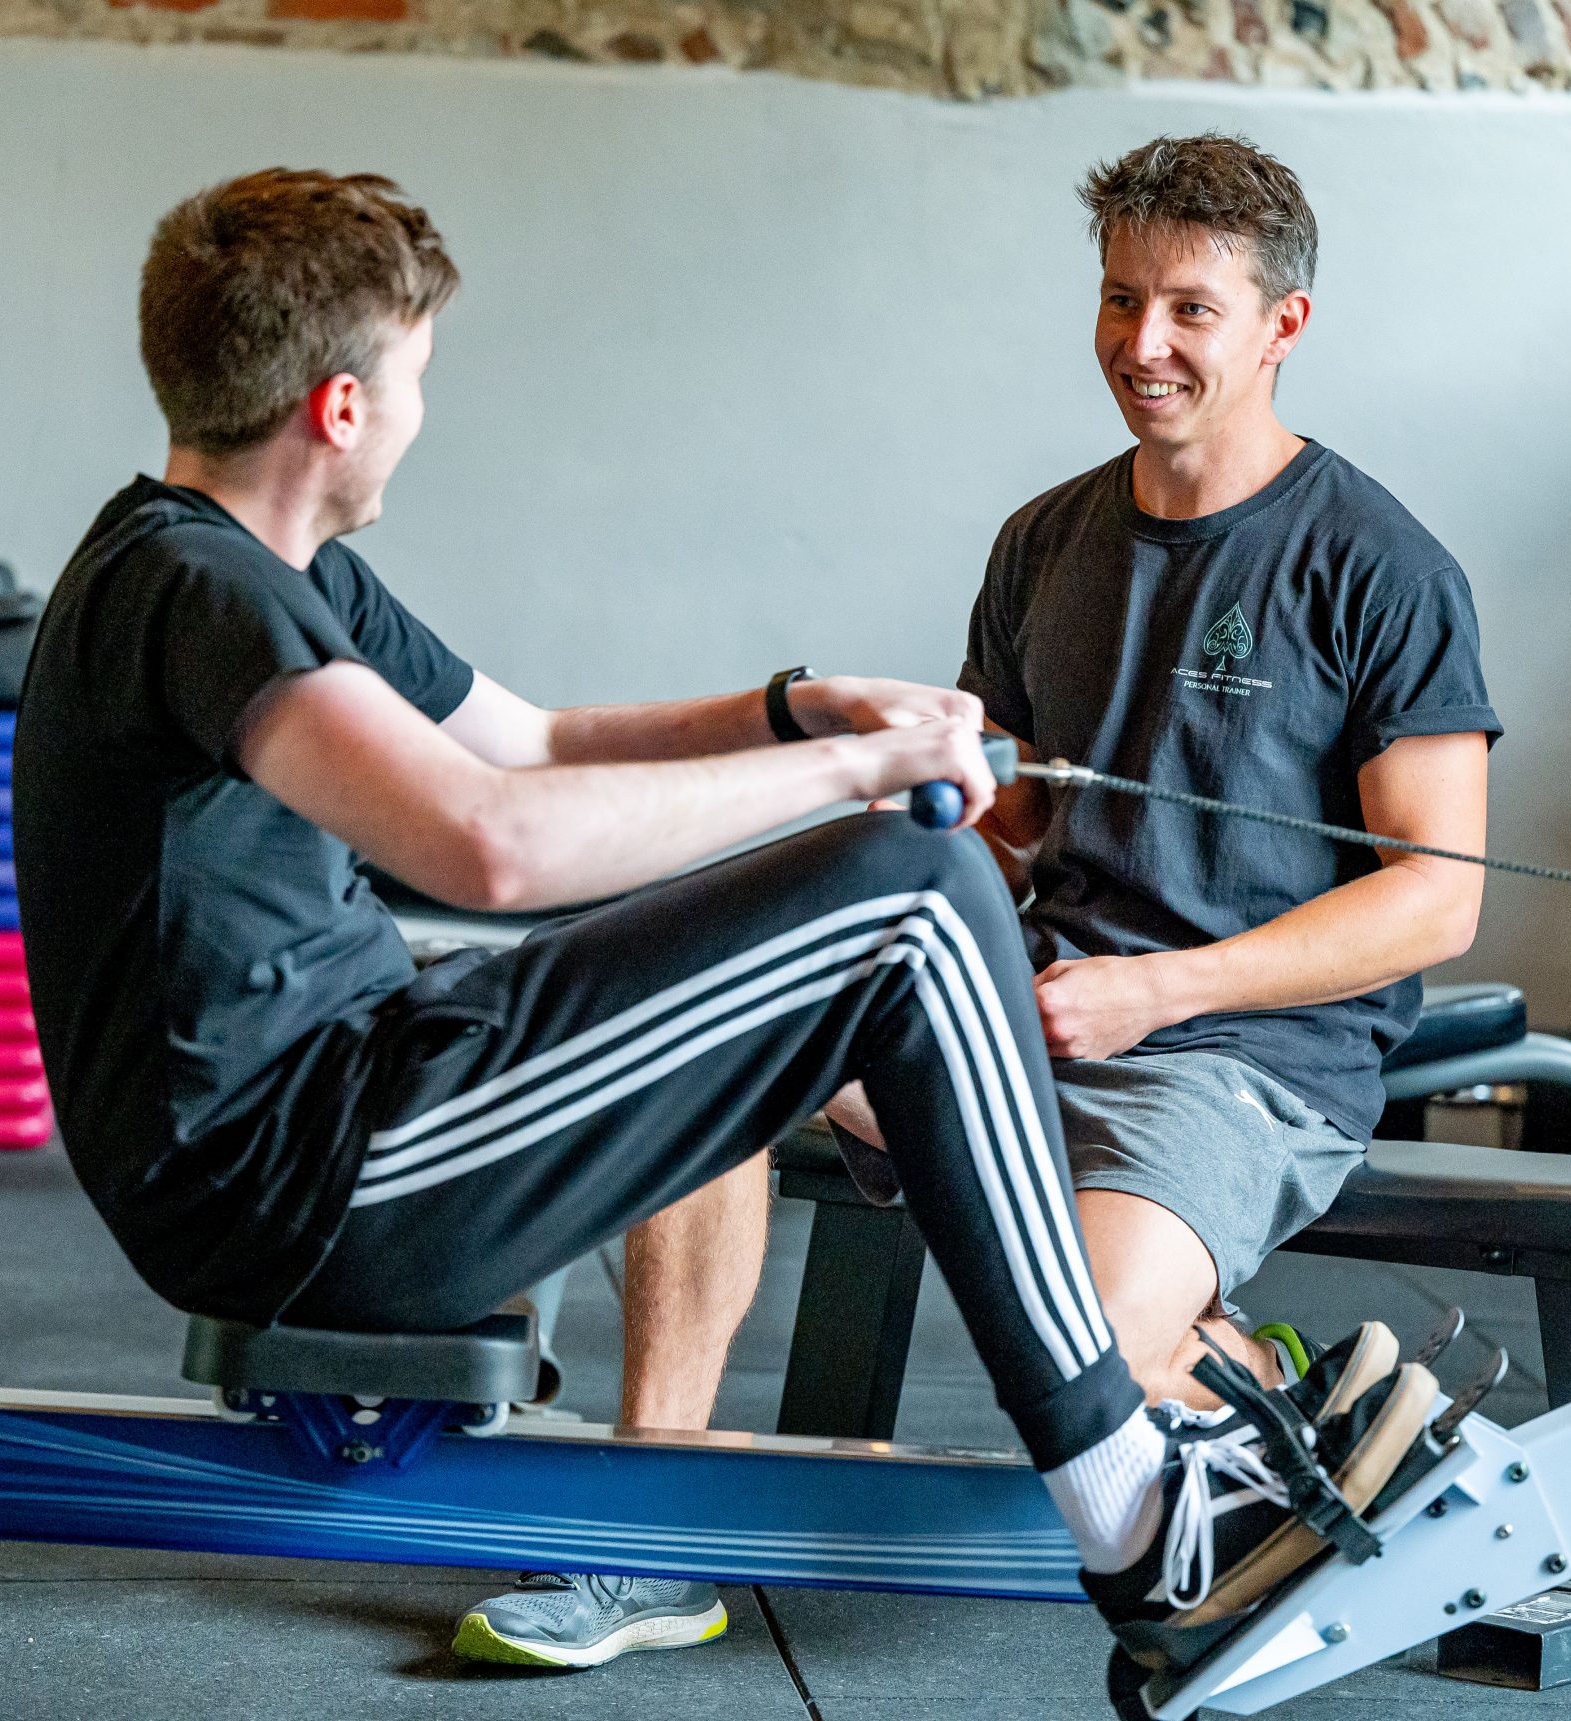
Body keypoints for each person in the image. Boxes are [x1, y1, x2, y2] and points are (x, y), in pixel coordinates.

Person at [11, 167, 1289, 1700]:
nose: (420, 411)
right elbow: (490, 843)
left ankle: (1138, 1422)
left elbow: (534, 741)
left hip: (351, 1107)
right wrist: (865, 775)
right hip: (306, 1182)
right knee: (916, 897)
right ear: (341, 408)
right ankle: (1135, 1503)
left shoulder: (260, 569)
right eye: (415, 377)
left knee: (843, 909)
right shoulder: (195, 590)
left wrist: (802, 709)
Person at [458, 131, 1500, 1670]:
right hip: (1019, 1018)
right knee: (712, 1048)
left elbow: (1436, 901)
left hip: (1236, 1062)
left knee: (1078, 1371)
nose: (1142, 344)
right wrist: (924, 826)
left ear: (1285, 324)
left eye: (1191, 310)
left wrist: (1158, 988)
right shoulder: (1045, 543)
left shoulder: (1380, 568)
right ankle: (647, 1532)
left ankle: (1250, 1383)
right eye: (1121, 299)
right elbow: (1009, 830)